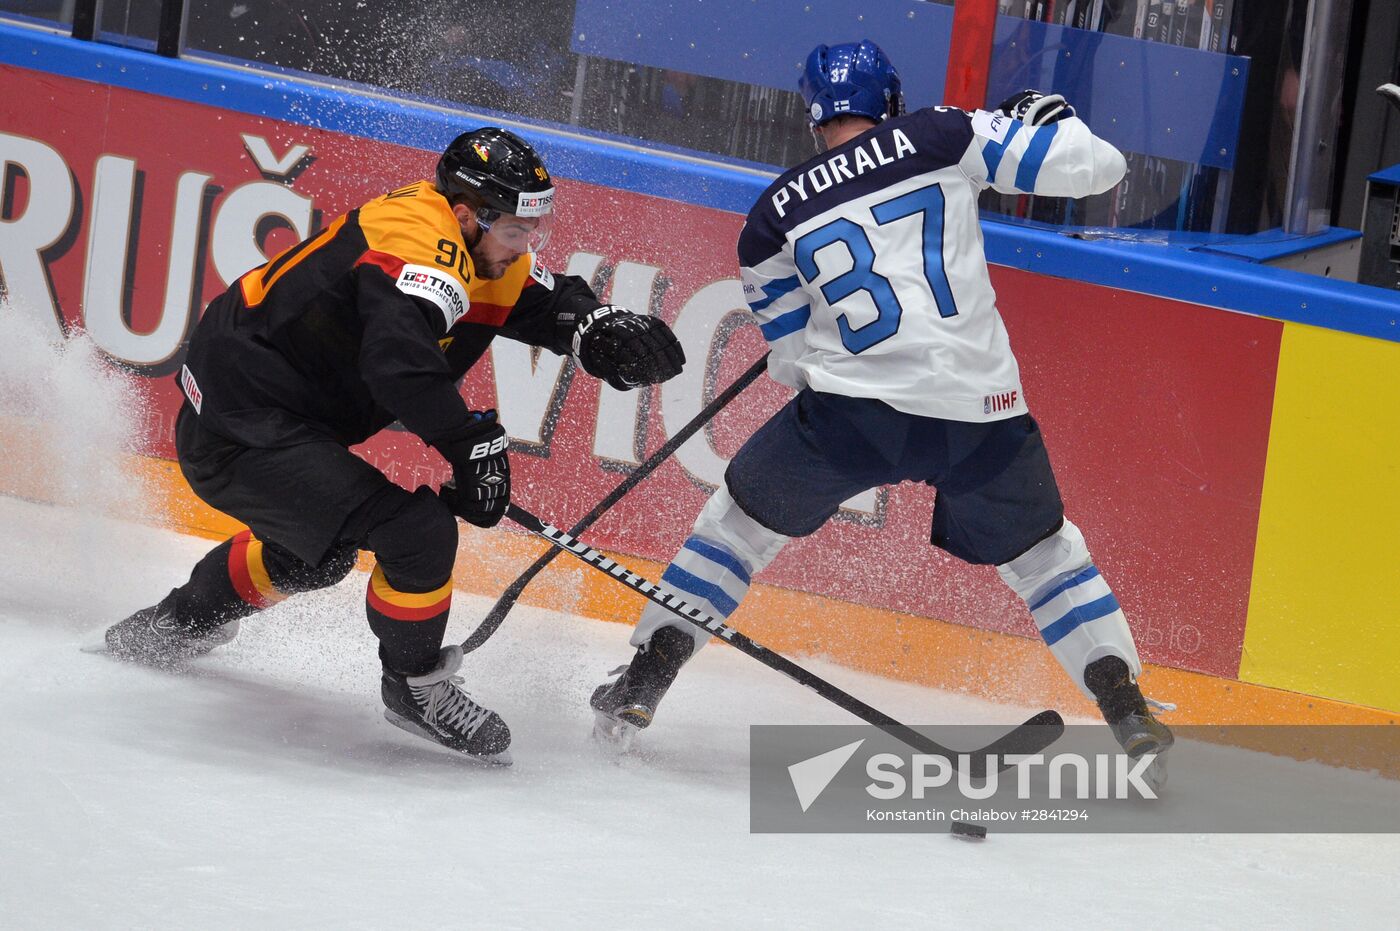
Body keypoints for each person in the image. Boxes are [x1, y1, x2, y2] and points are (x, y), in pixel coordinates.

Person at [590, 41, 1174, 780]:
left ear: (813, 117)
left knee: (736, 529)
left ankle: (647, 675)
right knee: (1046, 557)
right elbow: (1101, 167)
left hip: (854, 418)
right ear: (890, 100)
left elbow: (794, 357)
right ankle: (1125, 704)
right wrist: (1052, 120)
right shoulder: (942, 133)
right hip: (982, 415)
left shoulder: (771, 217)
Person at [96, 127, 685, 762]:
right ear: (467, 214)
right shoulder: (419, 244)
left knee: (314, 556)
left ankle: (170, 627)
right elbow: (397, 364)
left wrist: (592, 324)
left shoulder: (478, 246)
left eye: (534, 230)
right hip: (241, 426)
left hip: (273, 413)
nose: (528, 246)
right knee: (417, 534)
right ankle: (415, 687)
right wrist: (469, 444)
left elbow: (536, 297)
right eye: (518, 229)